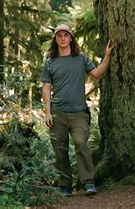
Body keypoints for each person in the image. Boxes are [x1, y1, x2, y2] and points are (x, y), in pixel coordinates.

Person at [41, 24, 114, 197]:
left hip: (79, 113)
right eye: (59, 36)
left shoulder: (80, 58)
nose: (63, 38)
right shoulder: (50, 62)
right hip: (57, 113)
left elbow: (97, 74)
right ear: (55, 40)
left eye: (66, 35)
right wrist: (47, 112)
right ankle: (65, 185)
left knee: (82, 145)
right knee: (60, 150)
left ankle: (88, 183)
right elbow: (46, 88)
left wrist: (107, 56)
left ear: (71, 38)